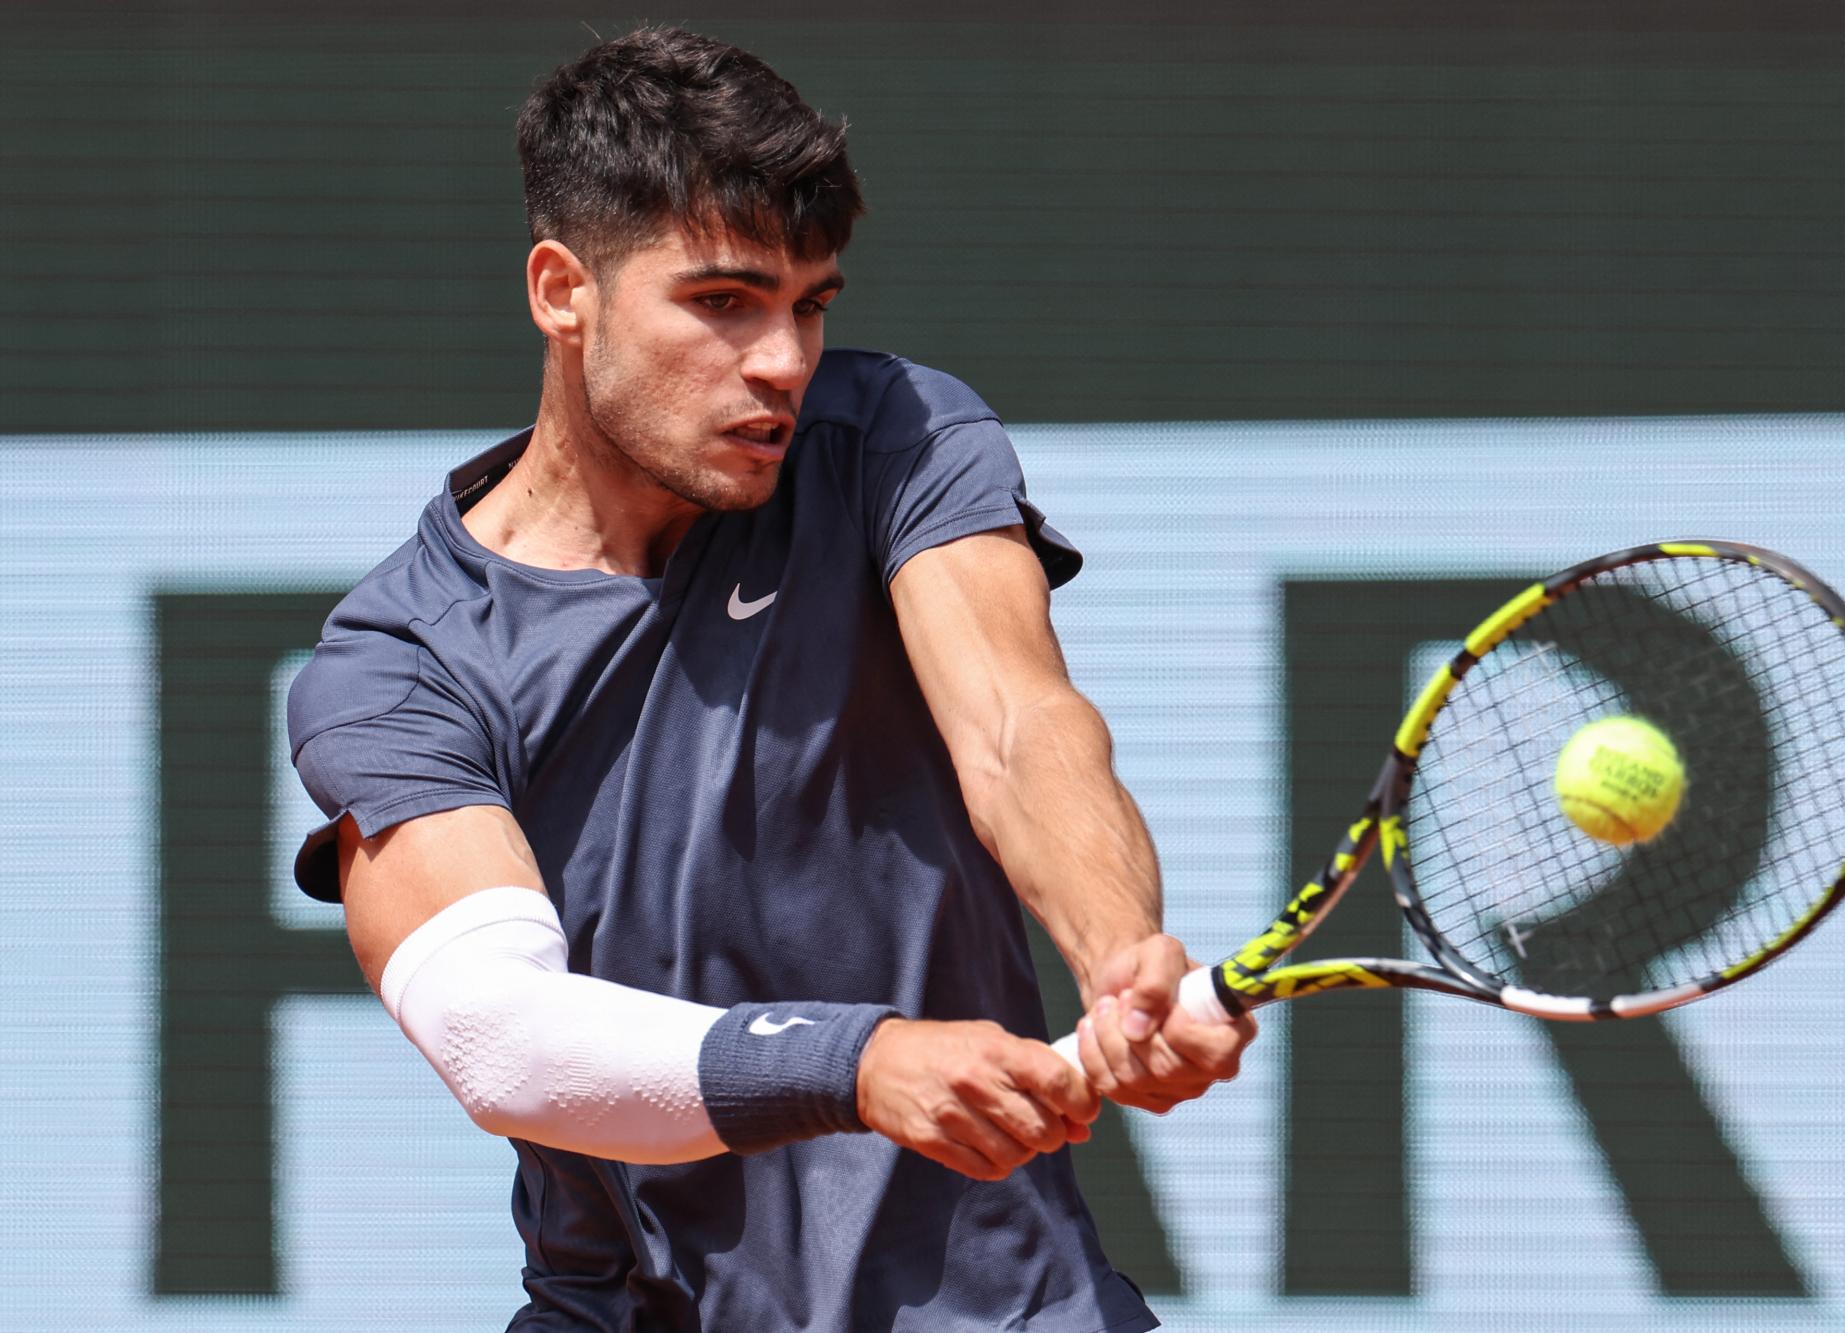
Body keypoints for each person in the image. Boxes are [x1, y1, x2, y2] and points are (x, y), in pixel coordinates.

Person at [286, 25, 1253, 1331]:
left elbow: (1020, 729)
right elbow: (494, 1028)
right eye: (723, 301)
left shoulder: (889, 437)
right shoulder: (401, 659)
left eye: (810, 304)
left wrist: (1121, 952)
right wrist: (855, 1063)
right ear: (563, 290)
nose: (784, 361)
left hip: (1012, 1307)